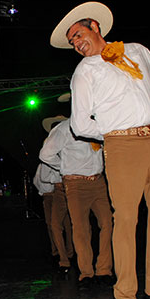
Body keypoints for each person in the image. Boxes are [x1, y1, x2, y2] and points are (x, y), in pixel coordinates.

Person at [50, 1, 150, 299]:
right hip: (121, 145)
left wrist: (143, 115)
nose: (77, 44)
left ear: (95, 26)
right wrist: (113, 133)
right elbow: (80, 125)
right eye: (72, 42)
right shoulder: (84, 72)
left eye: (78, 35)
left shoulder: (137, 51)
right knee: (125, 221)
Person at [39, 117, 114, 289]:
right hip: (76, 183)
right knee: (81, 228)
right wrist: (65, 167)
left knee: (107, 223)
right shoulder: (64, 129)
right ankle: (86, 273)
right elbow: (45, 154)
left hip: (98, 181)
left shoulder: (97, 125)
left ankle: (104, 270)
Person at [33, 160, 74, 273]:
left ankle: (67, 252)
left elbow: (40, 179)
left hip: (60, 190)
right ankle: (59, 252)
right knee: (54, 224)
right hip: (51, 193)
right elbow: (39, 179)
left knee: (63, 224)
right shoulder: (44, 162)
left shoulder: (62, 158)